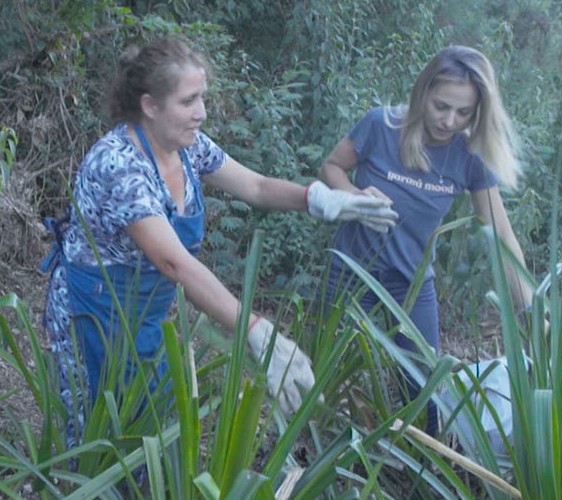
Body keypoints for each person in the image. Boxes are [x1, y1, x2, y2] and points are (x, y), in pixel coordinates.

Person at [40, 36, 399, 447]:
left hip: (146, 313)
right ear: (150, 105)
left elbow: (258, 187)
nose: (202, 113)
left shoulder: (188, 147)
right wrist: (257, 330)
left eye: (203, 98)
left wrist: (319, 198)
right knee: (100, 438)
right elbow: (175, 264)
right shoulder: (119, 166)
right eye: (189, 101)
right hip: (95, 314)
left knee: (151, 432)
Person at [319, 45, 535, 436]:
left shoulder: (469, 155)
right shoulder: (380, 126)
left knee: (423, 386)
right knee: (321, 368)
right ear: (422, 92)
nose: (449, 120)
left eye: (464, 112)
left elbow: (501, 235)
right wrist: (352, 195)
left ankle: (420, 464)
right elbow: (331, 167)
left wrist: (533, 313)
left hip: (412, 282)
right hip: (351, 270)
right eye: (441, 106)